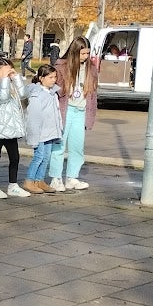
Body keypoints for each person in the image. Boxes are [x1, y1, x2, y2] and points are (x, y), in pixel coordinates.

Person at [48, 35, 99, 192]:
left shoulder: (91, 68)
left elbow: (93, 92)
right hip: (66, 109)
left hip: (80, 110)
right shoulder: (62, 67)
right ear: (74, 52)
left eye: (87, 53)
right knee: (59, 144)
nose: (85, 57)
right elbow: (56, 89)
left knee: (77, 146)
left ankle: (72, 177)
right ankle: (56, 178)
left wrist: (91, 114)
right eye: (82, 53)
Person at [0, 58, 30, 199]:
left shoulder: (11, 86)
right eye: (3, 71)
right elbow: (2, 97)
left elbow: (24, 94)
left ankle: (13, 185)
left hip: (11, 130)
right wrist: (4, 79)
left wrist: (15, 78)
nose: (7, 75)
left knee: (15, 158)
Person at [22, 64, 63, 194]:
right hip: (39, 133)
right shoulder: (37, 94)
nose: (54, 80)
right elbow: (33, 116)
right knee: (38, 157)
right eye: (50, 77)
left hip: (50, 132)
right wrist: (33, 135)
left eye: (55, 77)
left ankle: (39, 180)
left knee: (46, 157)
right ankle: (29, 180)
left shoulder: (53, 93)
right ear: (41, 78)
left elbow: (57, 113)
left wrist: (59, 129)